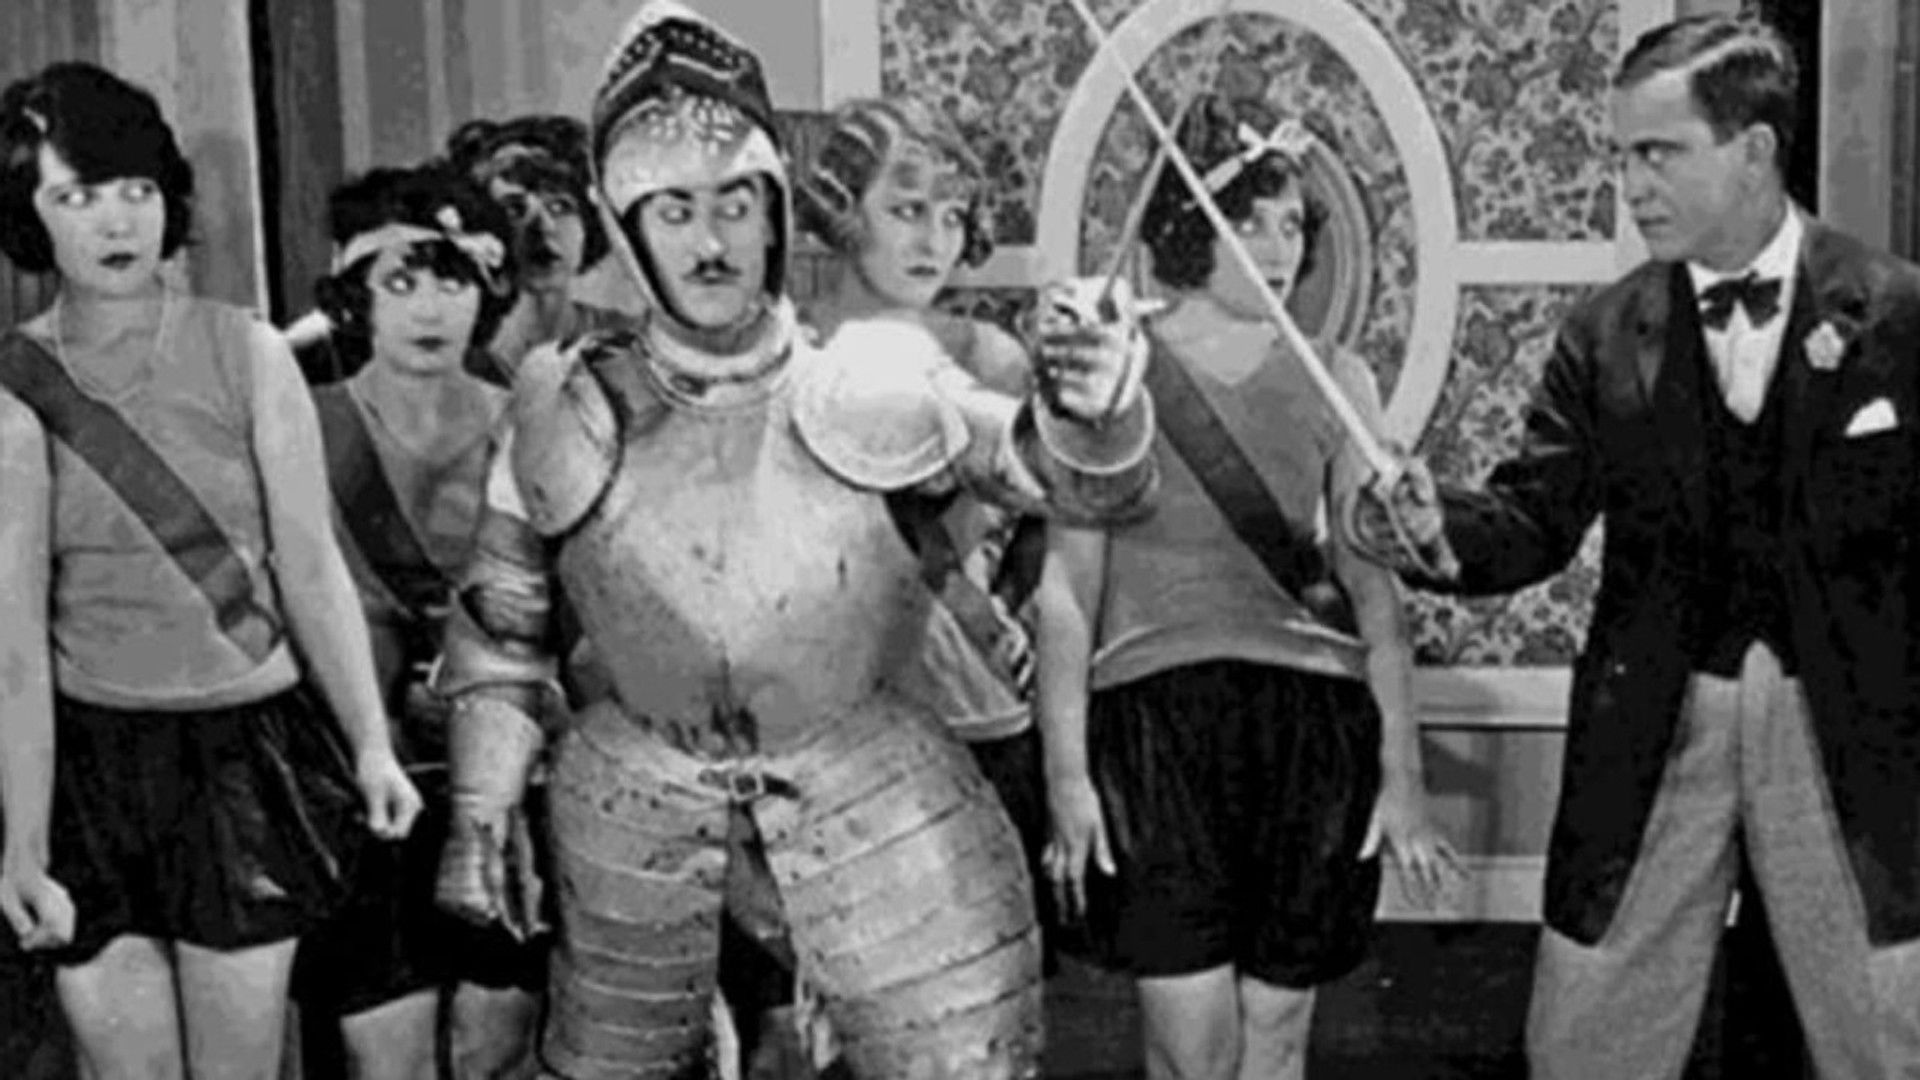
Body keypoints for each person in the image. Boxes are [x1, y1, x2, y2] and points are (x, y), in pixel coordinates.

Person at [430, 3, 1158, 1077]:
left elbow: (1061, 480)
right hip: (635, 807)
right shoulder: (563, 400)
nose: (711, 242)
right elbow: (501, 624)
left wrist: (1096, 408)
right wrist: (484, 807)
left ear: (773, 209)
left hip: (872, 798)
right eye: (675, 209)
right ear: (627, 226)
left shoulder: (867, 378)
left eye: (734, 203)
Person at [1351, 16, 1920, 1078]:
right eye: (1621, 156)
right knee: (1587, 1045)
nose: (1632, 185)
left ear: (1753, 150)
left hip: (1853, 740)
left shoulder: (1897, 314)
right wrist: (1433, 528)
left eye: (1658, 153)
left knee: (1892, 1038)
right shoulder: (1604, 334)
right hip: (1656, 720)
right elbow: (1533, 518)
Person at [0, 61, 419, 1080]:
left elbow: (310, 566)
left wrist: (371, 743)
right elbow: (11, 646)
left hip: (243, 759)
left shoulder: (248, 352)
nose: (116, 221)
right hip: (88, 765)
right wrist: (22, 841)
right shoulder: (15, 385)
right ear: (29, 216)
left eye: (136, 189)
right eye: (78, 196)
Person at [1044, 92, 1458, 1080]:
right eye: (1252, 221)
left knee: (1275, 1037)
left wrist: (1403, 781)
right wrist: (1067, 778)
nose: (1278, 248)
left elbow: (1372, 595)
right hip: (1157, 722)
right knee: (1193, 1047)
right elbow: (1068, 587)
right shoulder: (1108, 362)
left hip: (1312, 725)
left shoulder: (1338, 377)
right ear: (1193, 226)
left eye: (1294, 225)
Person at [288, 163, 546, 1080]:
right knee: (387, 1055)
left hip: (504, 786)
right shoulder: (300, 422)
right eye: (400, 283)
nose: (429, 309)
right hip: (362, 787)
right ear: (355, 293)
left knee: (493, 1045)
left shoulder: (531, 423)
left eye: (453, 280)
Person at [445, 114, 628, 382]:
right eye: (514, 209)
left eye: (560, 206)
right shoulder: (455, 354)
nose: (544, 227)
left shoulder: (629, 340)